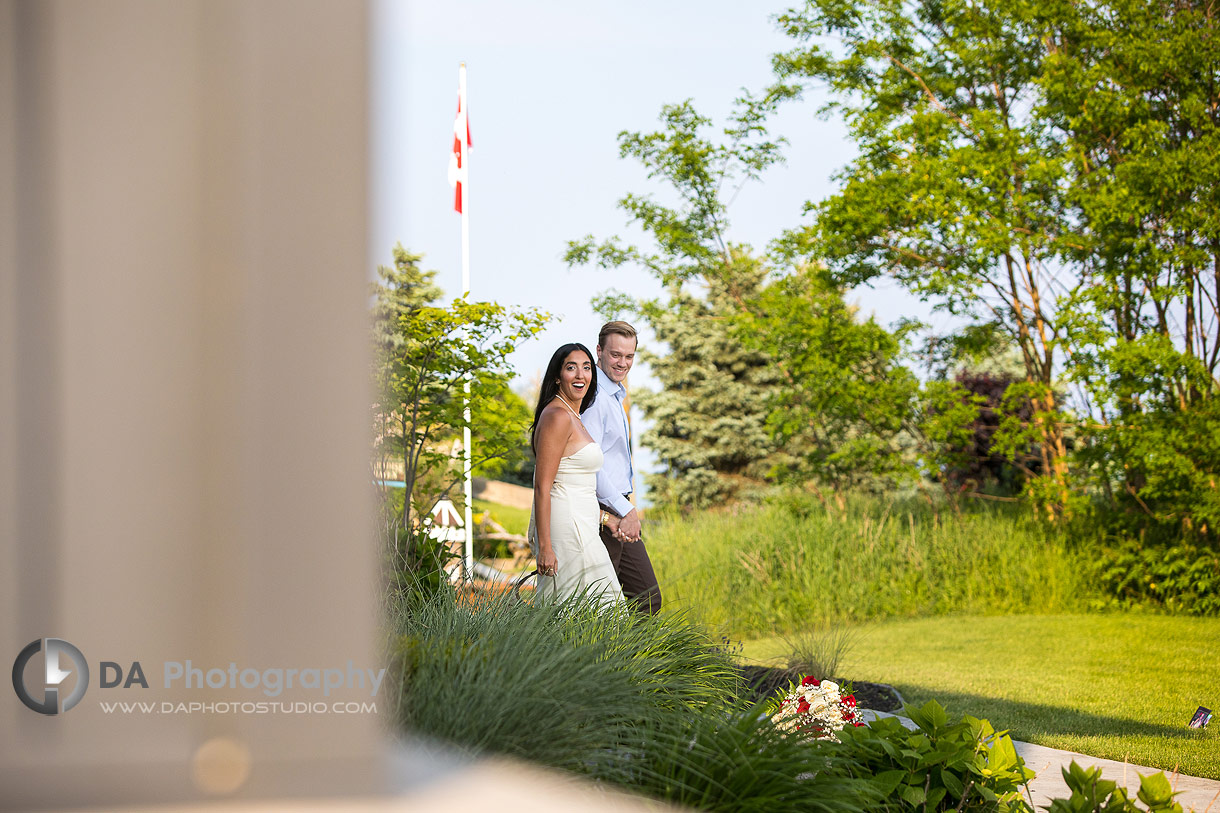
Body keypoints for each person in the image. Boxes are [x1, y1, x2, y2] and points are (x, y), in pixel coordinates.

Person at [527, 343, 624, 605]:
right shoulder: (557, 416)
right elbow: (543, 487)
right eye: (571, 368)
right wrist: (545, 547)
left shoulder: (573, 415)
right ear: (558, 376)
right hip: (567, 529)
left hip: (584, 524)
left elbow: (575, 484)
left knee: (594, 609)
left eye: (587, 367)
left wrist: (606, 519)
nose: (581, 375)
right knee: (593, 608)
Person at [583, 321, 662, 615]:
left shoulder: (615, 394)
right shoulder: (595, 398)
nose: (623, 363)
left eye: (629, 356)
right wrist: (625, 510)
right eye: (616, 354)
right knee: (602, 606)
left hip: (619, 505)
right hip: (603, 510)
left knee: (646, 599)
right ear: (599, 351)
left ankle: (627, 650)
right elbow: (590, 464)